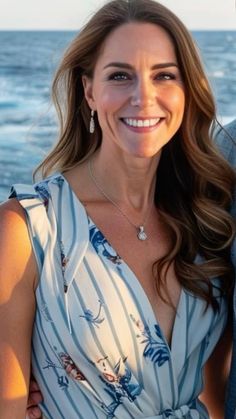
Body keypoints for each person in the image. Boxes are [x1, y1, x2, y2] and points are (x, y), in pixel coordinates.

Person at [0, 1, 235, 418]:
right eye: (120, 76)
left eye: (164, 75)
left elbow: (218, 397)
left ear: (187, 89)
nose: (143, 97)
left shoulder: (206, 220)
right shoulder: (28, 227)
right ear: (89, 90)